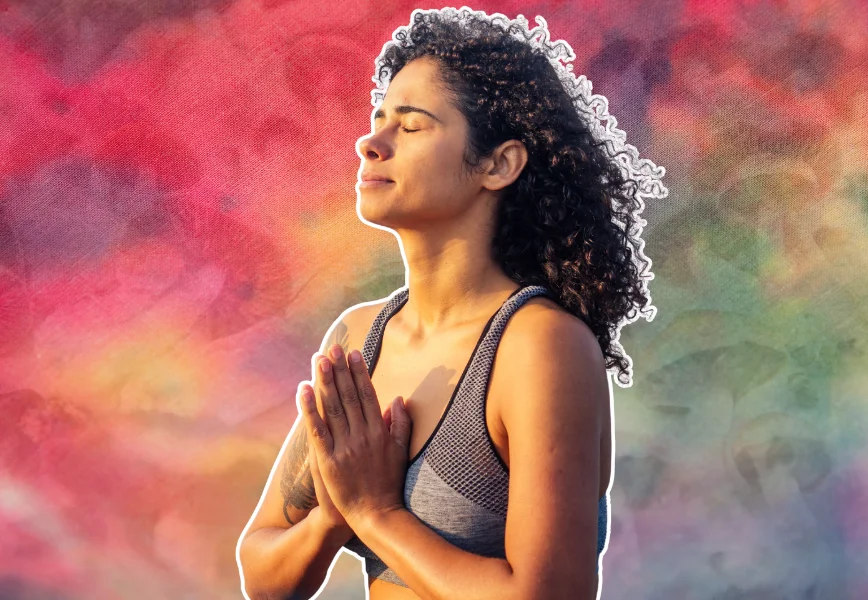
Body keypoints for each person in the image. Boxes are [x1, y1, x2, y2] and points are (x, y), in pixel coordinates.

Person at [237, 7, 666, 600]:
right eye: (378, 118)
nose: (371, 141)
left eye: (410, 126)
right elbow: (263, 574)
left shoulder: (540, 347)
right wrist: (333, 517)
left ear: (498, 164)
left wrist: (377, 514)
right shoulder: (358, 339)